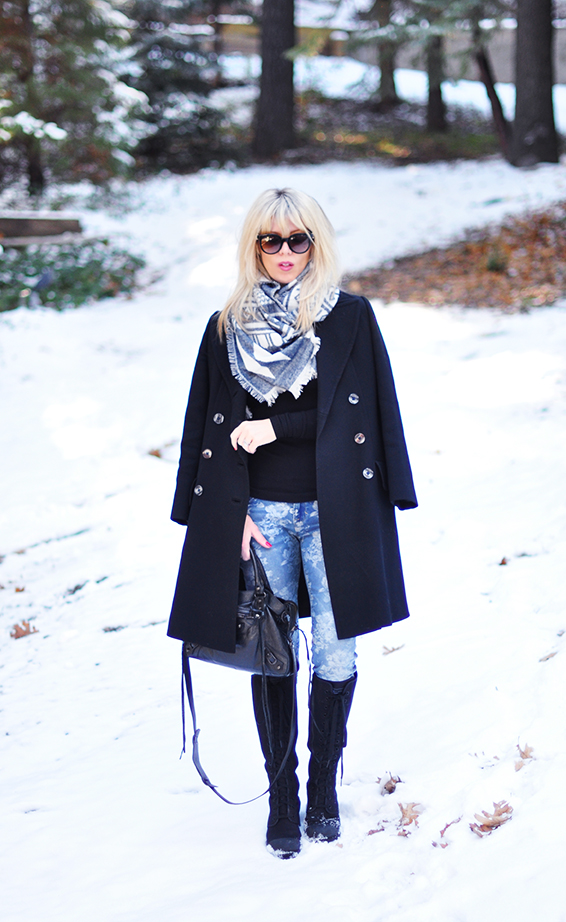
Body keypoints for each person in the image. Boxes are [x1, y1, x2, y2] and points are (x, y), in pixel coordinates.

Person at [168, 187, 416, 857]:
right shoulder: (225, 327)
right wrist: (219, 518)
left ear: (317, 242)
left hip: (338, 513)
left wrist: (272, 426)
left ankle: (323, 789)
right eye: (269, 241)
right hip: (262, 515)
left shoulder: (350, 319)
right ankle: (282, 795)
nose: (284, 253)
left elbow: (365, 416)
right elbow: (204, 431)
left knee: (336, 651)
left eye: (297, 239)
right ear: (253, 247)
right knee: (273, 656)